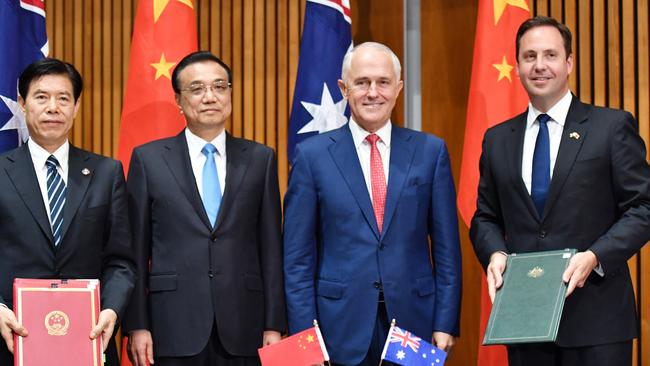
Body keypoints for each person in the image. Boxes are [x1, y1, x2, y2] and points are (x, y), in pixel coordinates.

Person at [470, 16, 650, 366]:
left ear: (568, 62)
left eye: (550, 55)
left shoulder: (610, 127)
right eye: (529, 56)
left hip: (598, 323)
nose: (540, 65)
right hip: (525, 322)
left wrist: (595, 256)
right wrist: (494, 253)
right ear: (518, 65)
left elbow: (643, 206)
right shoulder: (496, 140)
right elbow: (485, 216)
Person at [283, 42, 462, 366]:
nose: (372, 92)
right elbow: (297, 257)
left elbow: (447, 249)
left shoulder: (430, 152)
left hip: (415, 324)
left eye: (382, 82)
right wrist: (302, 336)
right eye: (362, 82)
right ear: (344, 88)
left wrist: (445, 322)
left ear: (398, 88)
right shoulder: (312, 157)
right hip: (336, 326)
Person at [123, 51, 285, 366]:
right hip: (171, 326)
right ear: (178, 101)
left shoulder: (260, 159)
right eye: (197, 89)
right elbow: (135, 251)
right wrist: (137, 324)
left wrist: (274, 323)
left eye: (219, 87)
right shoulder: (149, 160)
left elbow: (271, 248)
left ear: (230, 94)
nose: (210, 97)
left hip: (244, 325)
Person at [0, 58, 135, 366]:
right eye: (41, 97)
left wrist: (110, 309)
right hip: (11, 341)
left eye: (63, 98)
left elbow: (121, 260)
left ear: (76, 107)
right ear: (22, 104)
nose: (53, 107)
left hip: (88, 340)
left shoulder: (106, 172)